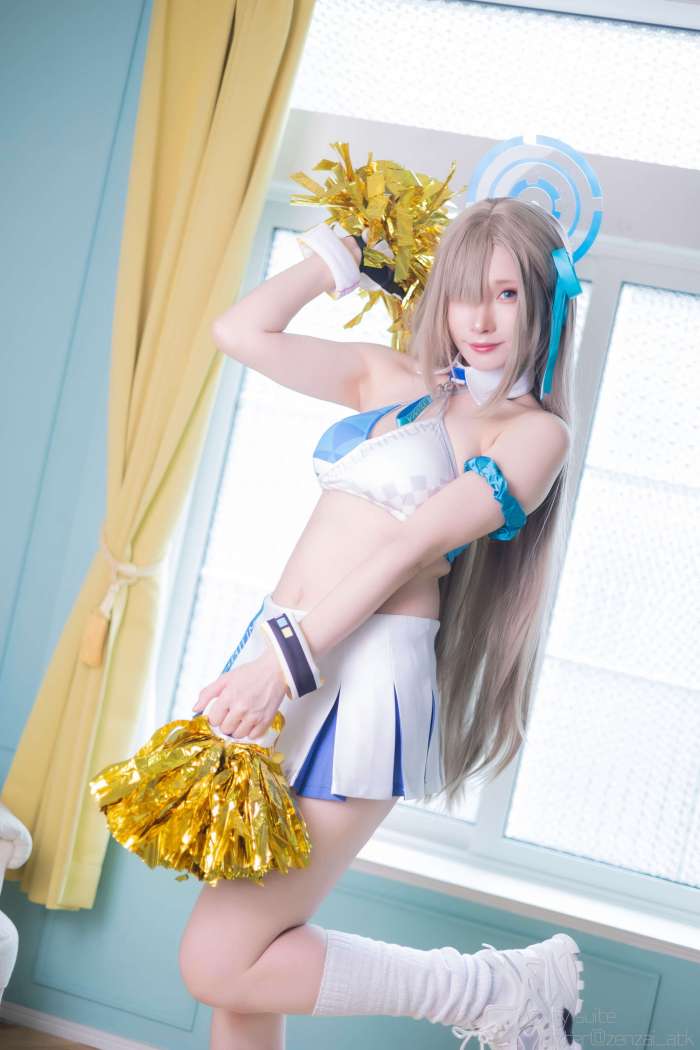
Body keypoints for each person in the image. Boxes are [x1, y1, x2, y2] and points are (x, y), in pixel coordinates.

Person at [180, 196, 584, 1050]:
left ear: (546, 303)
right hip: (283, 653)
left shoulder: (534, 435)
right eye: (464, 290)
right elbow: (240, 332)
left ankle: (492, 989)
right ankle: (501, 990)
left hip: (355, 686)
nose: (479, 318)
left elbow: (410, 544)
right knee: (243, 981)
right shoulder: (399, 382)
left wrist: (279, 665)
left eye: (507, 294)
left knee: (218, 961)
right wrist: (340, 257)